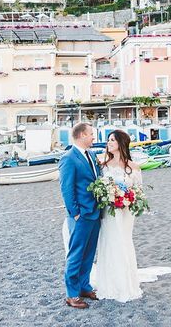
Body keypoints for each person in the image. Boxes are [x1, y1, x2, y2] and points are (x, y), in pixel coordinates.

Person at [93, 129, 143, 302]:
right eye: (108, 140)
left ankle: (127, 283)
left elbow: (138, 191)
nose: (109, 142)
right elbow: (99, 188)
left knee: (124, 241)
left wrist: (128, 198)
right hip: (109, 211)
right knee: (110, 242)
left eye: (113, 140)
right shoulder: (103, 165)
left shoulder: (133, 167)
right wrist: (110, 195)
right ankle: (111, 283)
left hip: (127, 211)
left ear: (121, 143)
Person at [59, 122, 101, 309]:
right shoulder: (68, 158)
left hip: (95, 212)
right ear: (82, 135)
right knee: (75, 254)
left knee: (89, 253)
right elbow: (66, 189)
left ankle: (84, 287)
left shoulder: (91, 154)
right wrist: (75, 213)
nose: (93, 137)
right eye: (91, 134)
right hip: (81, 215)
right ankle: (72, 294)